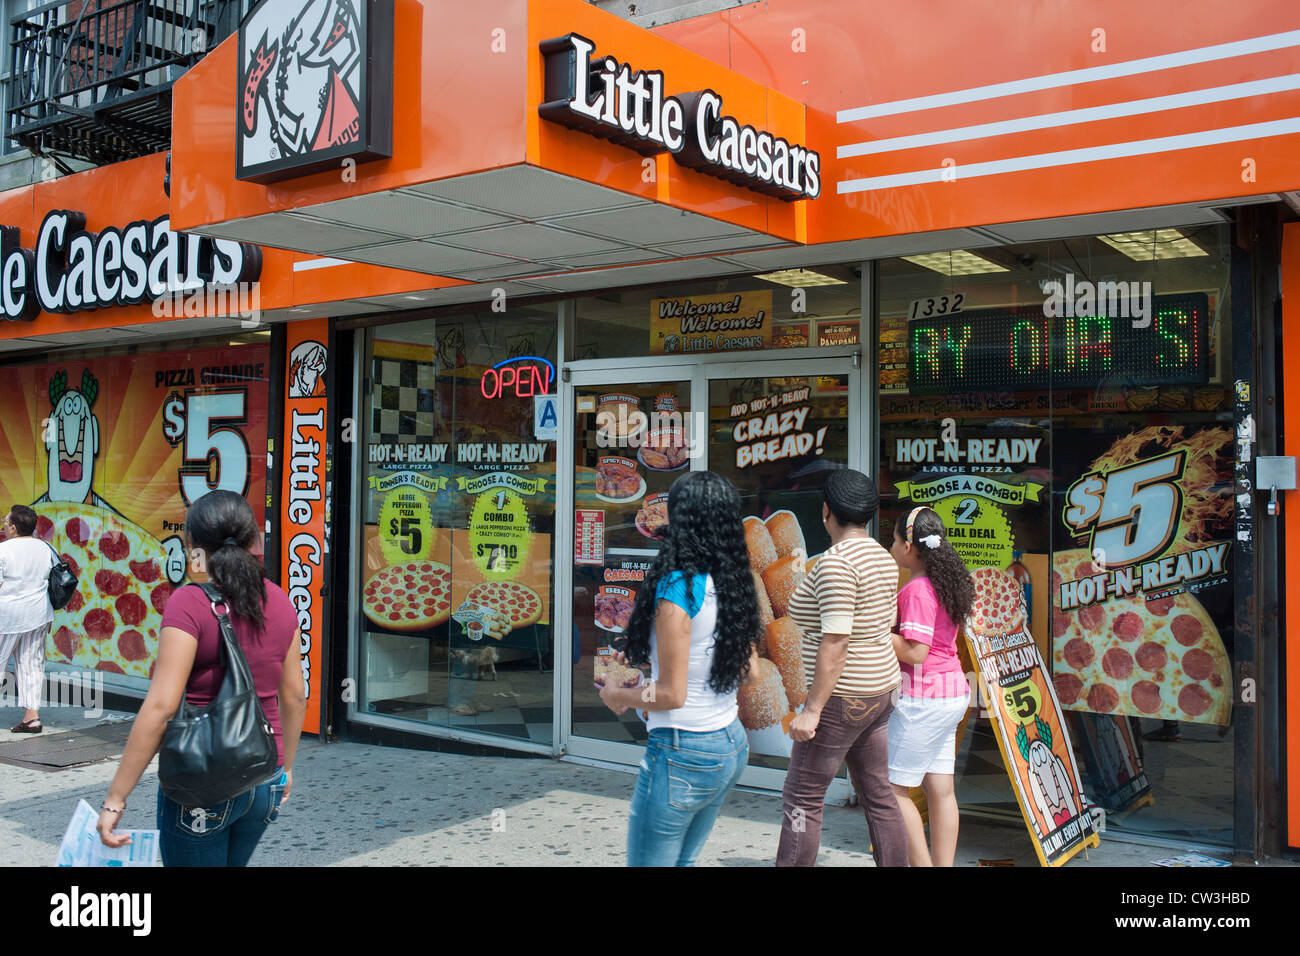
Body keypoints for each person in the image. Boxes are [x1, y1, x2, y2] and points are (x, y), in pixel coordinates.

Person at [97, 491, 306, 866]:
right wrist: (286, 768)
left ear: (194, 546)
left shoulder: (189, 603)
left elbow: (161, 707)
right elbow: (294, 696)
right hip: (265, 772)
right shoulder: (280, 601)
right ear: (253, 539)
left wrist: (115, 799)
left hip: (202, 778)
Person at [598, 471, 762, 867]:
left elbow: (672, 695)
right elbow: (751, 672)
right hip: (729, 743)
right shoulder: (733, 580)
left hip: (683, 751)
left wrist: (619, 695)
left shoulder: (677, 590)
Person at [777, 469, 908, 867]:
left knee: (802, 797)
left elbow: (836, 641)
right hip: (880, 688)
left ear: (826, 511)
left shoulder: (836, 564)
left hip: (842, 697)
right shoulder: (883, 557)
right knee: (879, 794)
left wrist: (812, 710)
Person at [887, 506, 974, 866]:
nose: (890, 546)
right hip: (951, 694)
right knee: (941, 790)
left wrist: (874, 633)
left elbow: (916, 652)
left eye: (893, 539)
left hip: (923, 699)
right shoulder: (948, 582)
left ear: (909, 547)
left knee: (891, 792)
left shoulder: (917, 590)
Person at [0, 505, 56, 733]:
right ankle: (32, 718)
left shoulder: (4, 550)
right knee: (31, 663)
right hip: (39, 614)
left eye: (6, 521)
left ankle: (31, 718)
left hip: (8, 616)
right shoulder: (46, 548)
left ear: (13, 528)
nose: (3, 523)